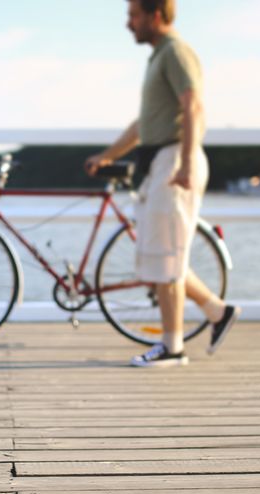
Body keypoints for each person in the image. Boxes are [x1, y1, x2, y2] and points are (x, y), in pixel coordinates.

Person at [85, 0, 239, 368]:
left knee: (166, 258)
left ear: (155, 15)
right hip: (162, 161)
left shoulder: (176, 52)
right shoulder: (158, 58)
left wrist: (185, 163)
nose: (128, 24)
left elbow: (194, 107)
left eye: (133, 15)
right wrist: (107, 156)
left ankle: (173, 348)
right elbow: (144, 125)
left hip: (174, 162)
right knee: (162, 254)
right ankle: (217, 312)